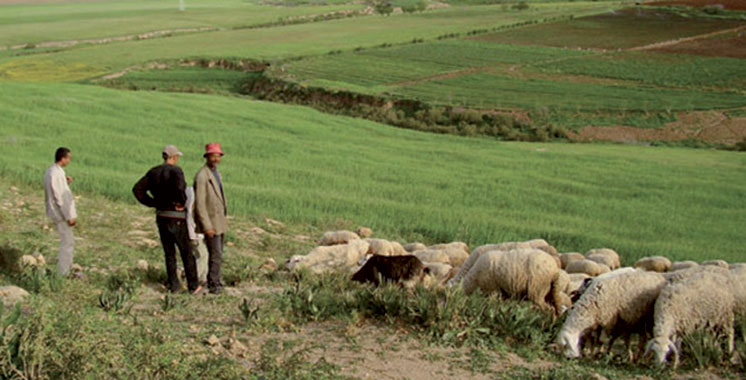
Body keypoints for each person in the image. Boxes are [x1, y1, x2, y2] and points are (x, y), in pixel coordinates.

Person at [132, 145, 201, 294]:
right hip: (176, 216)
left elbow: (137, 189)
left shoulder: (153, 172)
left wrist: (153, 203)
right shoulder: (176, 171)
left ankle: (174, 285)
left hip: (161, 216)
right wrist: (181, 203)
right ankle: (193, 286)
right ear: (175, 157)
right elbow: (180, 189)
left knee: (169, 253)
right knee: (186, 252)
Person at [193, 143, 227, 294]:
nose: (216, 158)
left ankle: (216, 279)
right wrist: (206, 225)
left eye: (218, 155)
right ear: (207, 157)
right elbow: (199, 203)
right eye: (213, 156)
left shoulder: (216, 174)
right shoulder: (202, 175)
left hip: (219, 221)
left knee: (218, 254)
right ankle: (213, 283)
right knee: (215, 253)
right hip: (211, 222)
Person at [44, 147, 77, 276]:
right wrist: (69, 216)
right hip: (61, 214)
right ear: (63, 158)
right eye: (68, 158)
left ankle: (65, 269)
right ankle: (64, 272)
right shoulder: (56, 174)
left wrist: (66, 183)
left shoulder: (53, 171)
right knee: (67, 242)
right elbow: (59, 197)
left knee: (68, 241)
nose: (69, 160)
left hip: (58, 212)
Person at [185, 186, 209, 284]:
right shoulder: (196, 198)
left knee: (202, 254)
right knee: (202, 255)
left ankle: (203, 278)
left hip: (189, 231)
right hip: (194, 233)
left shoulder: (188, 192)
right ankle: (193, 279)